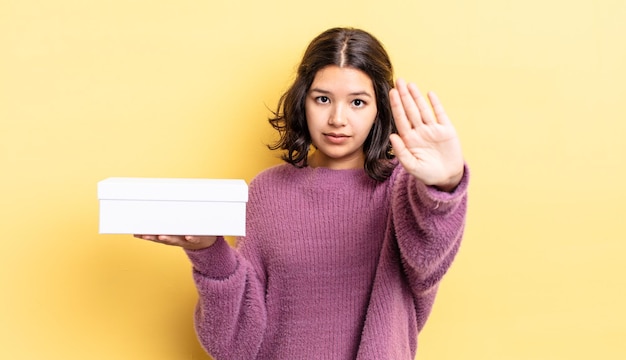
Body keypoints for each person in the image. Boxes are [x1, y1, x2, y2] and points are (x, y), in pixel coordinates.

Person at [135, 27, 468, 359]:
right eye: (322, 99)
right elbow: (233, 345)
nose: (338, 119)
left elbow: (427, 261)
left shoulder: (403, 191)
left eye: (357, 102)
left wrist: (444, 186)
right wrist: (209, 252)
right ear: (302, 100)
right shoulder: (268, 191)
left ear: (379, 108)